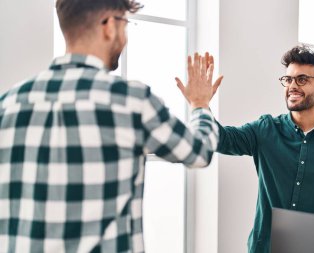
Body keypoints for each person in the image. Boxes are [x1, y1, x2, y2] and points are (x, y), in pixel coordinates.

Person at [0, 0, 223, 252]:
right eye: (126, 24)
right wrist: (200, 104)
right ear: (108, 25)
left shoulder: (9, 103)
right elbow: (199, 153)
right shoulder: (130, 100)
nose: (125, 36)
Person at [182, 45, 314, 253]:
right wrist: (200, 105)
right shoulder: (265, 129)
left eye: (302, 79)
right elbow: (222, 139)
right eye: (288, 79)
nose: (292, 86)